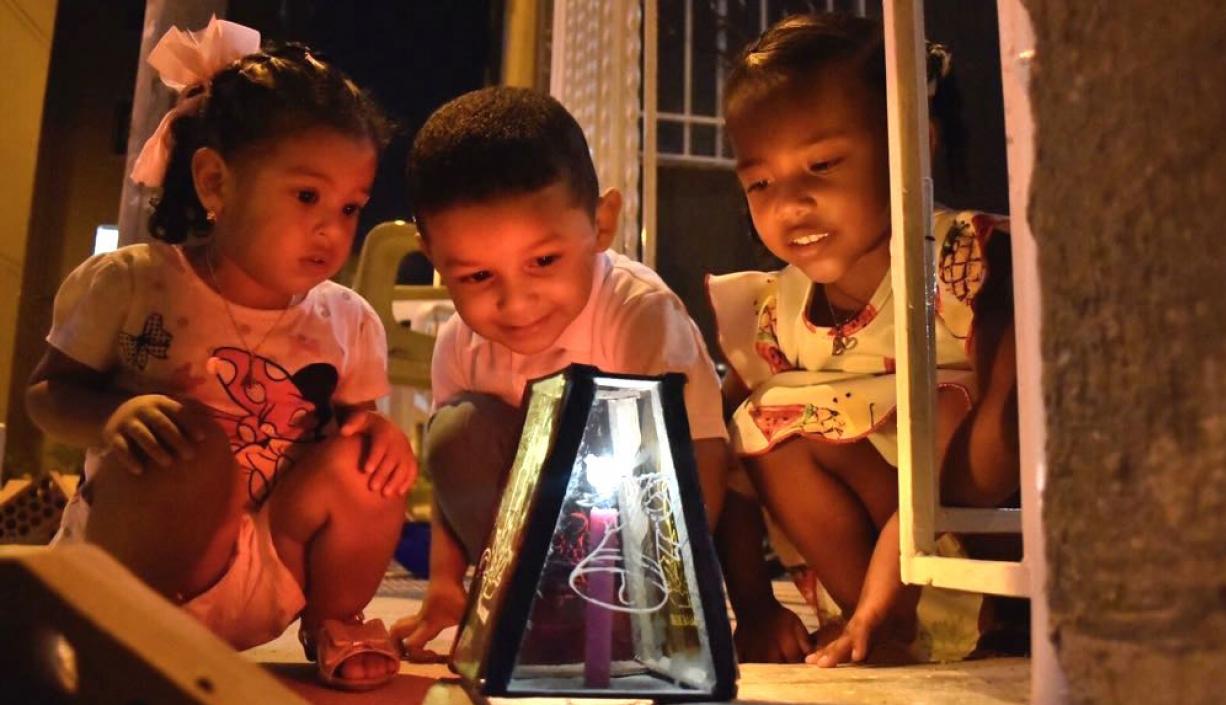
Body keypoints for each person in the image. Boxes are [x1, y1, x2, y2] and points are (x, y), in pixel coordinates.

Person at [25, 18, 411, 691]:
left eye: (351, 206)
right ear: (215, 183)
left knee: (364, 468)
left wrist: (376, 435)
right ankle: (133, 638)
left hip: (271, 562)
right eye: (307, 195)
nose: (332, 227)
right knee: (187, 440)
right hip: (145, 565)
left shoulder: (347, 321)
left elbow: (347, 429)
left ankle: (334, 620)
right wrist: (113, 416)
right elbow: (47, 395)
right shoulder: (135, 284)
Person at [709, 12, 1020, 667]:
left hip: (982, 552)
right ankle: (875, 625)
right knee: (756, 416)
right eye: (760, 182)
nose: (791, 204)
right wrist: (755, 607)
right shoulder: (776, 312)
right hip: (873, 585)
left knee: (957, 410)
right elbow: (719, 455)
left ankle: (992, 616)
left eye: (822, 164)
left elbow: (1006, 437)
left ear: (915, 142)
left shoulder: (967, 262)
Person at [388, 86, 730, 661]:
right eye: (476, 277)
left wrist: (671, 591)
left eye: (543, 261)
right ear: (433, 256)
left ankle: (612, 622)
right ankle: (526, 609)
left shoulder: (639, 314)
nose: (516, 304)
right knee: (456, 430)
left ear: (601, 223)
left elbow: (702, 454)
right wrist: (448, 584)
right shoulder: (461, 342)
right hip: (524, 546)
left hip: (633, 549)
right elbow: (453, 479)